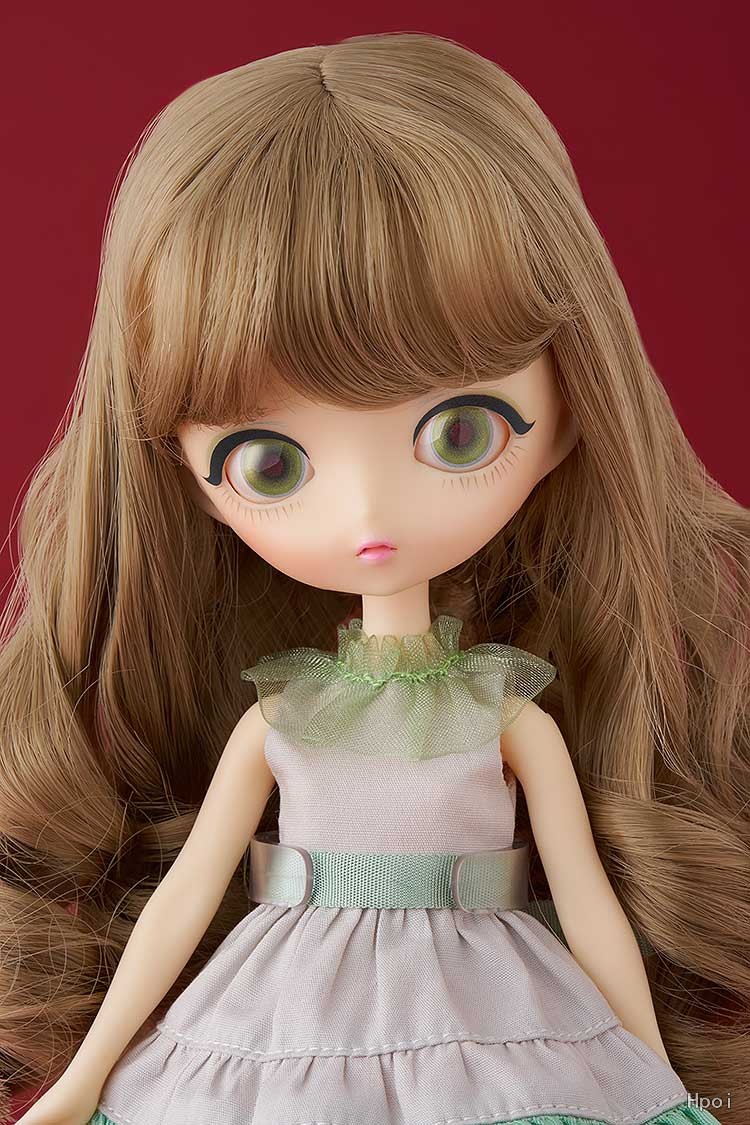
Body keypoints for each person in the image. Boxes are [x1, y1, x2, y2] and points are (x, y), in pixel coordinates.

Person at [3, 30, 746, 1125]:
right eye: (270, 463)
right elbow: (184, 901)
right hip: (285, 1014)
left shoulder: (507, 716)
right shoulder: (282, 717)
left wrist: (656, 1086)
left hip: (494, 1013)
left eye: (459, 432)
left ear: (567, 412)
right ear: (183, 476)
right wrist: (83, 1080)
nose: (367, 519)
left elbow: (589, 907)